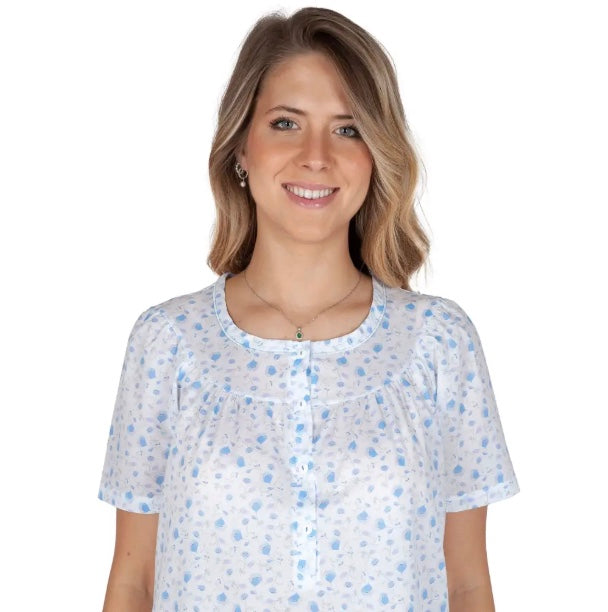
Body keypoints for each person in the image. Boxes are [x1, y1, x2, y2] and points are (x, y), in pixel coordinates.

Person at [98, 7, 520, 611]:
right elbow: (133, 581)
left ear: (376, 155)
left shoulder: (438, 341)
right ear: (241, 146)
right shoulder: (168, 341)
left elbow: (468, 584)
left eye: (347, 129)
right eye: (286, 123)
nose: (316, 155)